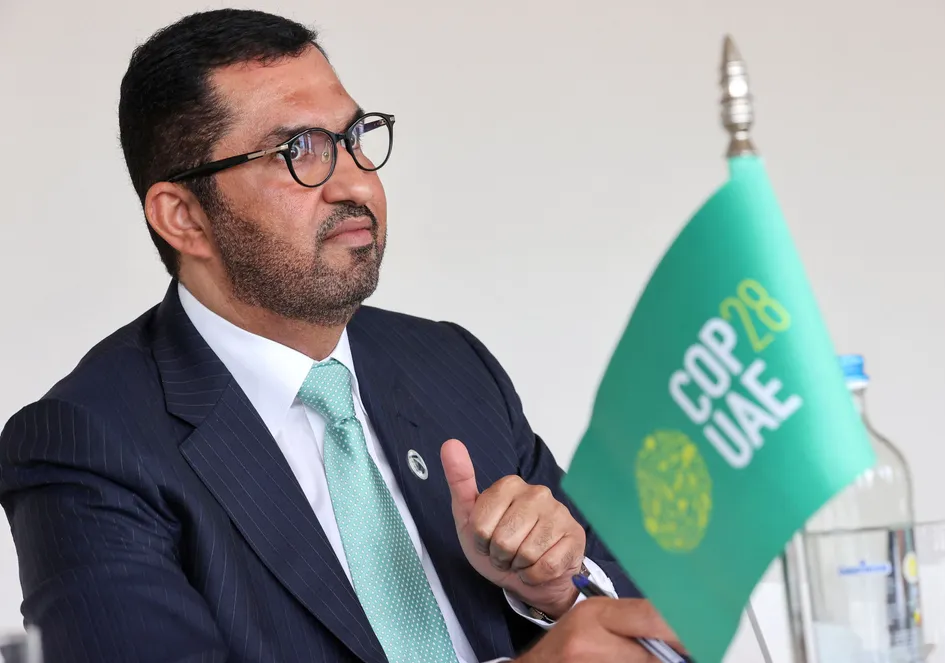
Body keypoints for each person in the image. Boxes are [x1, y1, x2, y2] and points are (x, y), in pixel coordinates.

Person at [0, 9, 684, 663]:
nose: (357, 183)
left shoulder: (449, 364)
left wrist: (554, 593)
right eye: (298, 151)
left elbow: (648, 626)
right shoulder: (85, 446)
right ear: (184, 216)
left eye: (355, 138)